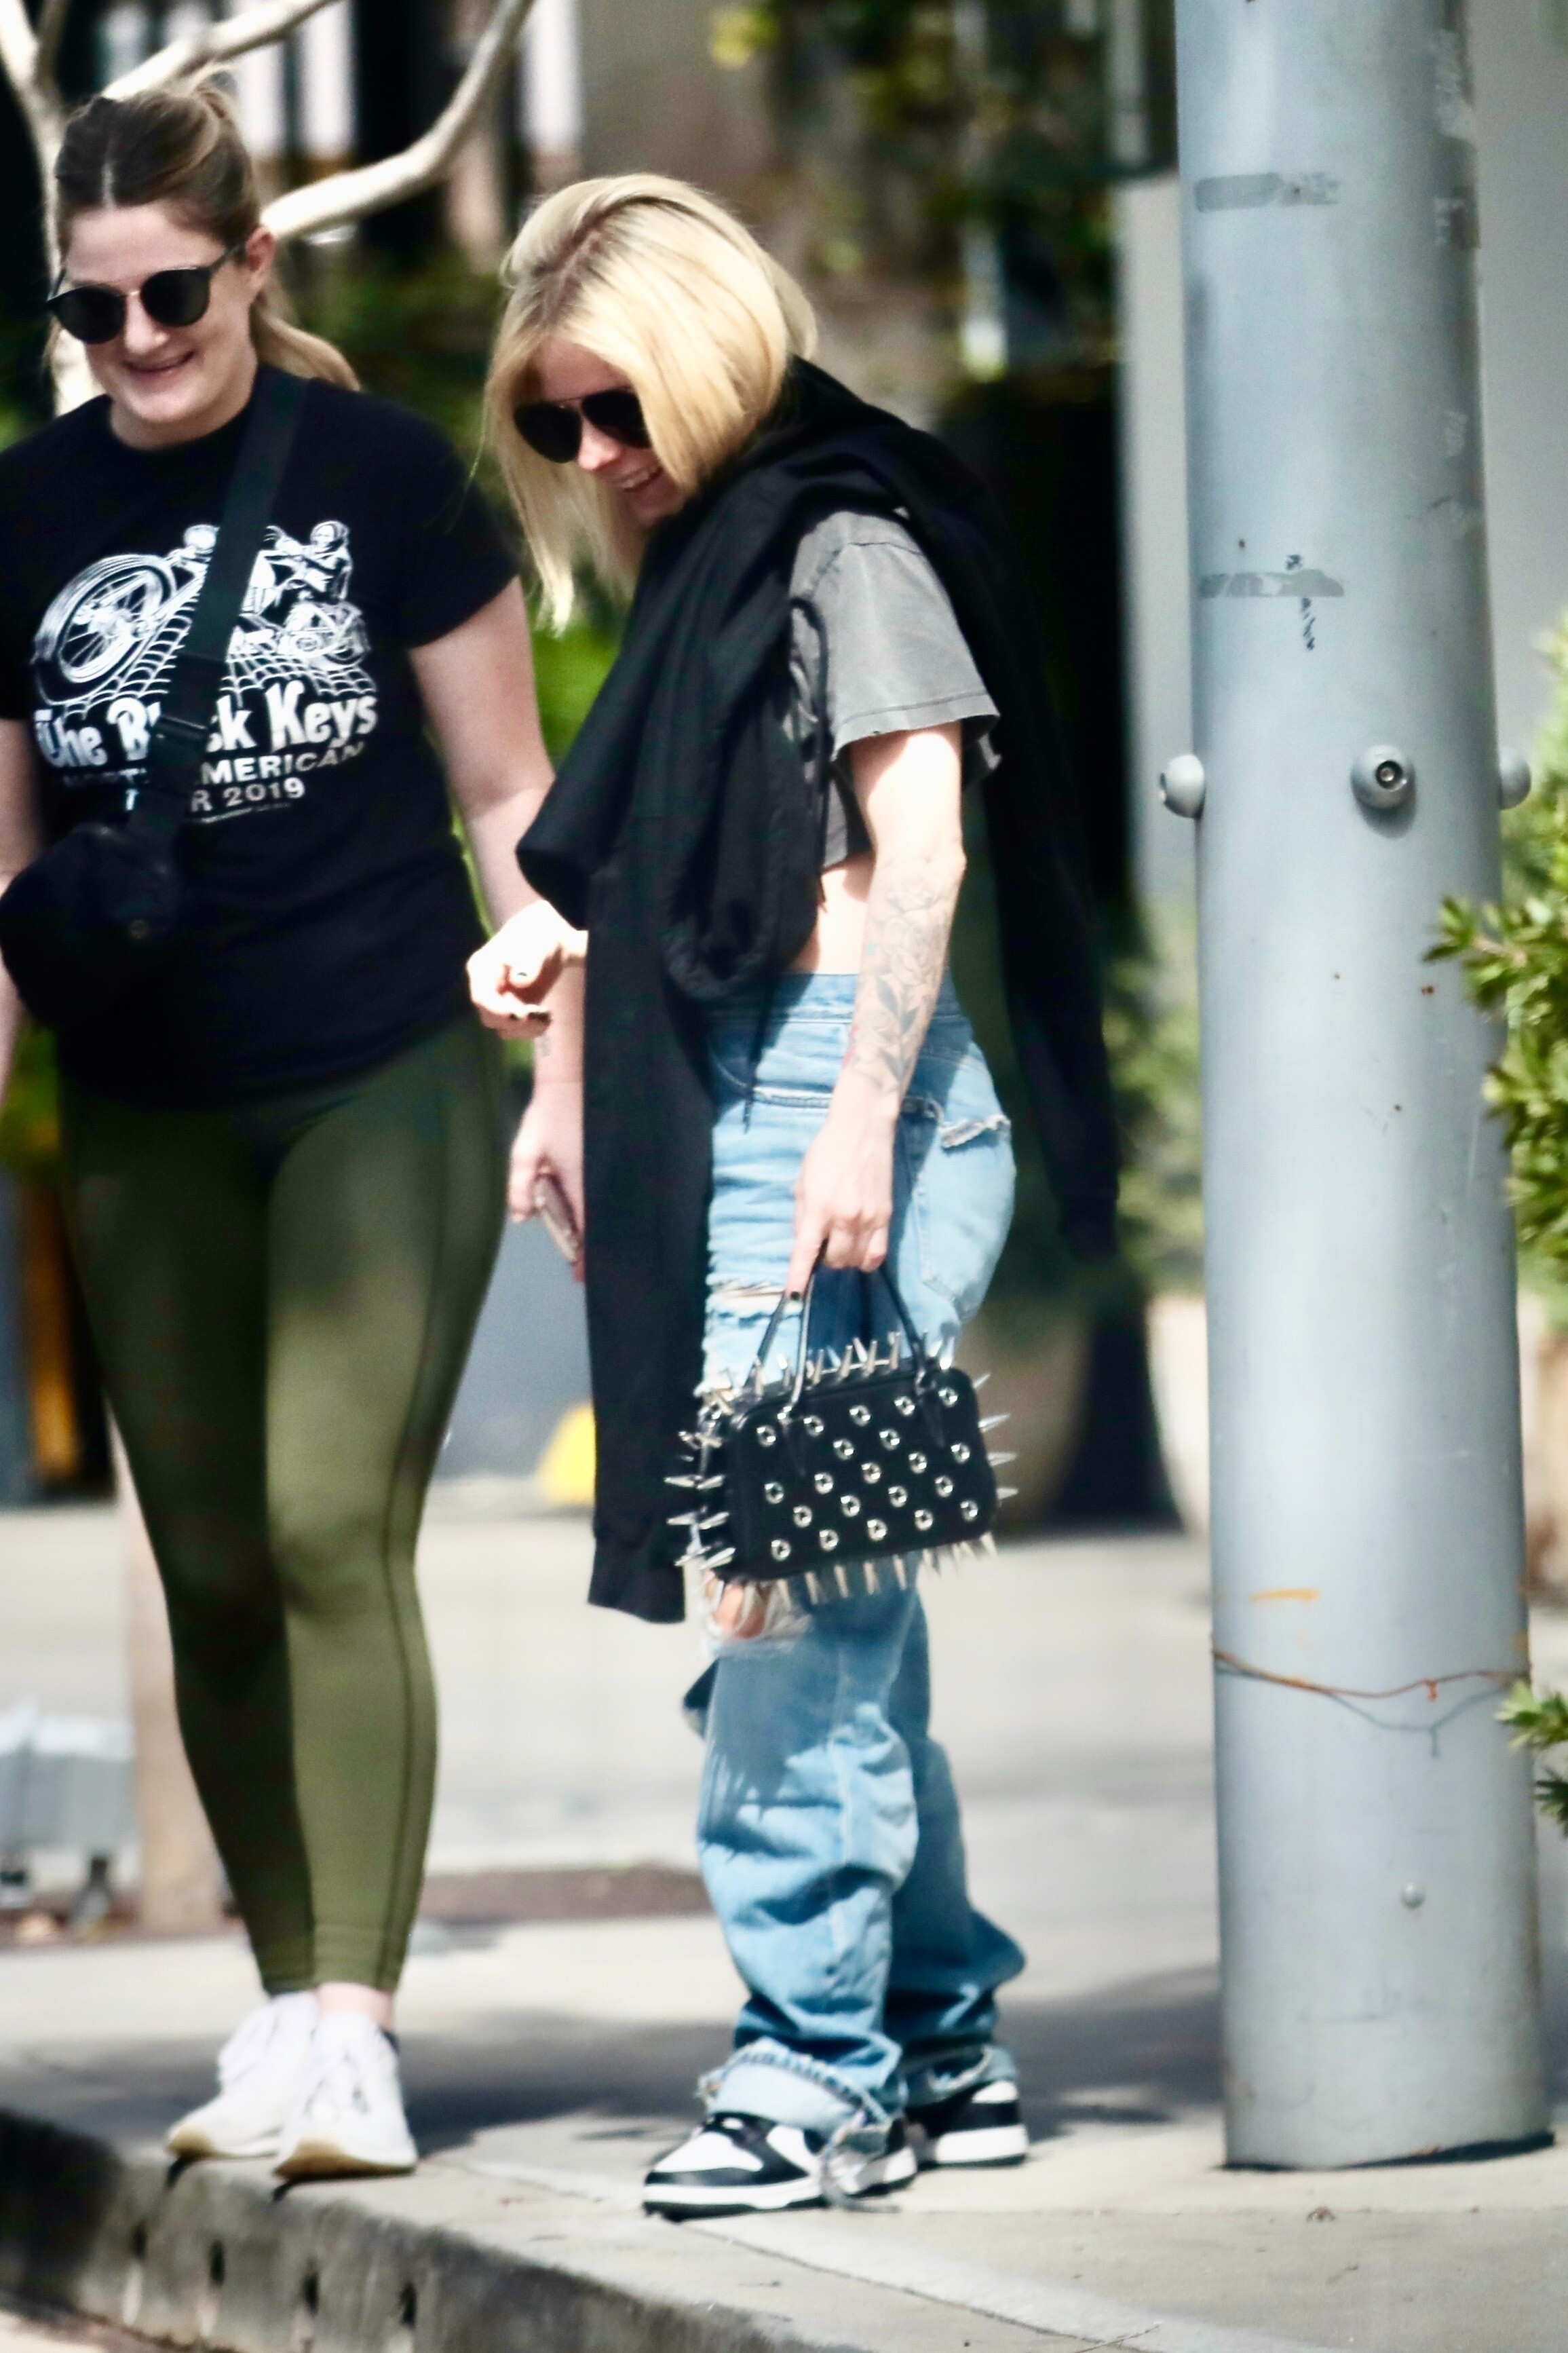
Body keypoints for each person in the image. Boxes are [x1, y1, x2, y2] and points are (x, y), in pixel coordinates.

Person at [467, 176, 1118, 2215]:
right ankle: (938, 2030)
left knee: (779, 1622)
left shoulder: (844, 538)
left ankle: (811, 2070)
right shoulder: (711, 567)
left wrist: (855, 1126)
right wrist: (561, 1044)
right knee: (838, 1619)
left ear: (711, 356)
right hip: (736, 1105)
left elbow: (921, 852)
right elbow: (678, 871)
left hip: (849, 1120)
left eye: (618, 406)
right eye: (556, 423)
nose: (597, 455)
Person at [0, 87, 565, 2178]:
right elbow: (9, 875)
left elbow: (507, 796)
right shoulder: (22, 511)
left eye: (173, 293)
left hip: (378, 1071)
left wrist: (562, 1070)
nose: (139, 339)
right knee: (217, 1567)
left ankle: (356, 2029)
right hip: (141, 1104)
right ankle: (282, 1998)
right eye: (94, 309)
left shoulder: (383, 476)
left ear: (251, 265)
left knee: (331, 1523)